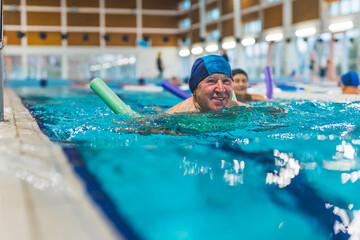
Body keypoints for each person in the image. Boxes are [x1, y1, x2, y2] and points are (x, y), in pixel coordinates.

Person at [165, 55, 248, 114]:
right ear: (195, 89)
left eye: (226, 81)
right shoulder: (174, 116)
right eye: (211, 81)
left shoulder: (245, 111)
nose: (221, 89)